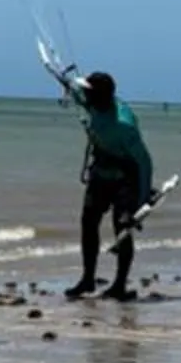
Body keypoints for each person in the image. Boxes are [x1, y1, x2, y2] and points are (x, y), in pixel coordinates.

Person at [58, 67, 155, 299]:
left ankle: (119, 284)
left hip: (125, 180)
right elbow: (77, 93)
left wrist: (140, 203)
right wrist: (67, 83)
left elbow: (145, 162)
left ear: (100, 95)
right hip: (100, 174)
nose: (85, 95)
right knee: (88, 223)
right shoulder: (93, 102)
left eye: (88, 91)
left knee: (122, 228)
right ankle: (88, 279)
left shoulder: (124, 124)